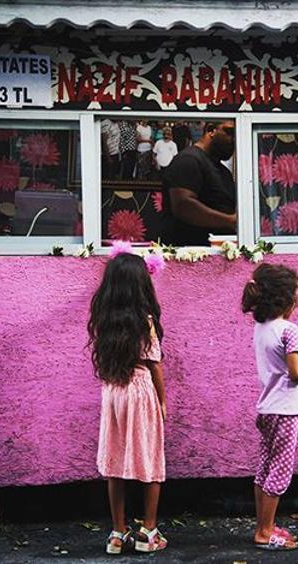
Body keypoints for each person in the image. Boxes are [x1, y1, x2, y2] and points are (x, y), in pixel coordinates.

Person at [241, 263, 298, 551]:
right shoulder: (290, 329)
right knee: (279, 471)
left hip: (268, 409)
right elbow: (295, 374)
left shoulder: (262, 327)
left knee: (265, 468)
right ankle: (265, 533)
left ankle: (263, 526)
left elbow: (282, 363)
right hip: (286, 411)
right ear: (286, 299)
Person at [88, 250, 168, 555]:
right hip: (140, 391)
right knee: (150, 460)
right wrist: (162, 402)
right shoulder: (145, 321)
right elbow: (154, 364)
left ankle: (117, 533)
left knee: (115, 463)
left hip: (114, 393)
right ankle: (149, 531)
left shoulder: (104, 319)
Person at [161, 121, 237, 246]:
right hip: (189, 255)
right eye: (229, 132)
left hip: (213, 254)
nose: (233, 140)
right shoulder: (189, 160)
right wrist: (230, 221)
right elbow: (183, 206)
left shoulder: (222, 170)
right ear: (211, 130)